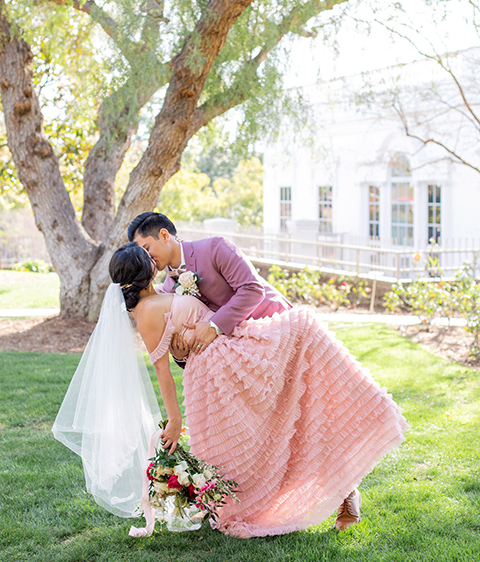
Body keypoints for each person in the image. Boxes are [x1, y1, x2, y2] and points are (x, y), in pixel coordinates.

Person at [53, 242, 409, 539]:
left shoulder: (164, 291)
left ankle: (358, 437)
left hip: (229, 351)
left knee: (302, 337)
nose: (154, 259)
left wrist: (191, 332)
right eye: (147, 257)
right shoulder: (146, 311)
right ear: (143, 270)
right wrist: (174, 419)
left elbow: (193, 321)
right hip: (216, 370)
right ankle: (310, 480)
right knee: (298, 340)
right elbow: (162, 368)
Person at [127, 212, 291, 362]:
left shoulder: (215, 247)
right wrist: (179, 355)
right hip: (240, 350)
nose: (146, 258)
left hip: (274, 323)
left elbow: (252, 289)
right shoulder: (169, 289)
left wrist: (214, 326)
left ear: (164, 235)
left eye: (147, 249)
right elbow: (195, 339)